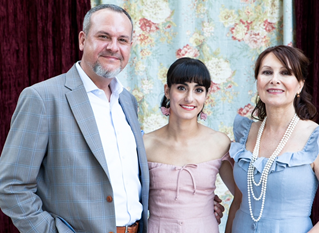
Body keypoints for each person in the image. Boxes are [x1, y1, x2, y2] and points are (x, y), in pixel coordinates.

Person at [0, 4, 224, 233]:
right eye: (103, 36)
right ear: (82, 40)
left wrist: (196, 203)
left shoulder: (127, 101)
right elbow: (12, 187)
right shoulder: (43, 98)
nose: (113, 47)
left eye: (123, 40)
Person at [227, 45, 319, 232]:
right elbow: (239, 201)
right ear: (257, 81)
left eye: (285, 73)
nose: (274, 80)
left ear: (299, 84)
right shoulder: (245, 133)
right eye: (267, 72)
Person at [143, 57, 236, 233]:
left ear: (206, 96)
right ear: (167, 91)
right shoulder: (144, 145)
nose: (189, 98)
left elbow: (242, 198)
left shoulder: (220, 143)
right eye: (181, 88)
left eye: (198, 90)